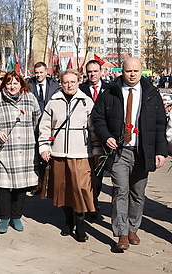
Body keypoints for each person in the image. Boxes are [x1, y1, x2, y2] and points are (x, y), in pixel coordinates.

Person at [91, 57, 167, 250]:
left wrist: (160, 151)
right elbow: (97, 117)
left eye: (135, 71)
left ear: (141, 71)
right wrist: (106, 136)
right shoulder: (110, 92)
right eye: (128, 71)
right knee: (120, 190)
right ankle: (122, 233)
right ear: (122, 71)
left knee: (138, 193)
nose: (132, 74)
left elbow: (160, 124)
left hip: (143, 152)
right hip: (119, 151)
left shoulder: (151, 93)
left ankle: (133, 228)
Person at [38, 69, 101, 242]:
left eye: (72, 82)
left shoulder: (86, 102)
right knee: (63, 190)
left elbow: (94, 130)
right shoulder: (53, 102)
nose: (69, 85)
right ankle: (67, 221)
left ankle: (80, 225)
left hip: (81, 153)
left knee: (80, 190)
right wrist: (44, 147)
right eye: (66, 82)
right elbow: (45, 127)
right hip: (58, 153)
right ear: (60, 83)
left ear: (79, 82)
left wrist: (96, 151)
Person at [0, 70, 41, 234]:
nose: (12, 86)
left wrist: (41, 143)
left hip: (25, 150)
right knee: (3, 187)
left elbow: (38, 121)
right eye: (8, 83)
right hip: (4, 151)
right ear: (4, 84)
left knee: (21, 187)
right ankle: (4, 217)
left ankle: (16, 216)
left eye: (15, 83)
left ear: (21, 84)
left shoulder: (30, 98)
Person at [79, 60, 111, 205]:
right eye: (90, 71)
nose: (92, 74)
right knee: (86, 171)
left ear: (101, 72)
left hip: (104, 137)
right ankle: (88, 202)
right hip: (84, 136)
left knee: (98, 173)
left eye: (95, 71)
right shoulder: (80, 89)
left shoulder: (110, 89)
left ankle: (94, 200)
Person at [28, 62, 60, 195]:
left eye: (41, 72)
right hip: (33, 126)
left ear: (46, 71)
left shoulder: (55, 86)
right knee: (36, 155)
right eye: (37, 72)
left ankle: (49, 184)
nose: (39, 75)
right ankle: (37, 184)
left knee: (49, 154)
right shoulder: (29, 85)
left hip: (50, 126)